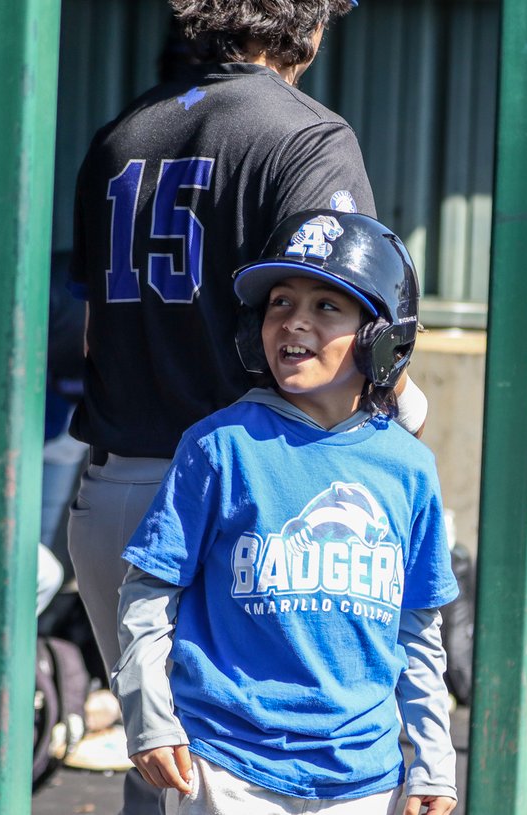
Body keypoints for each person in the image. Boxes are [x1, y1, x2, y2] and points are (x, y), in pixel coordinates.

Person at [66, 1, 429, 808]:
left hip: (115, 490)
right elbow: (346, 307)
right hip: (239, 497)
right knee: (242, 767)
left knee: (165, 766)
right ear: (310, 23)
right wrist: (407, 405)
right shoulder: (306, 132)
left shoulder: (122, 133)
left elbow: (89, 327)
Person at [113, 210, 458, 815]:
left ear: (382, 338)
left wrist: (434, 760)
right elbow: (148, 594)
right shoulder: (219, 447)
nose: (295, 320)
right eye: (280, 303)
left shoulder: (409, 467)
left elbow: (418, 630)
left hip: (365, 776)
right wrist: (151, 718)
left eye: (327, 305)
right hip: (226, 765)